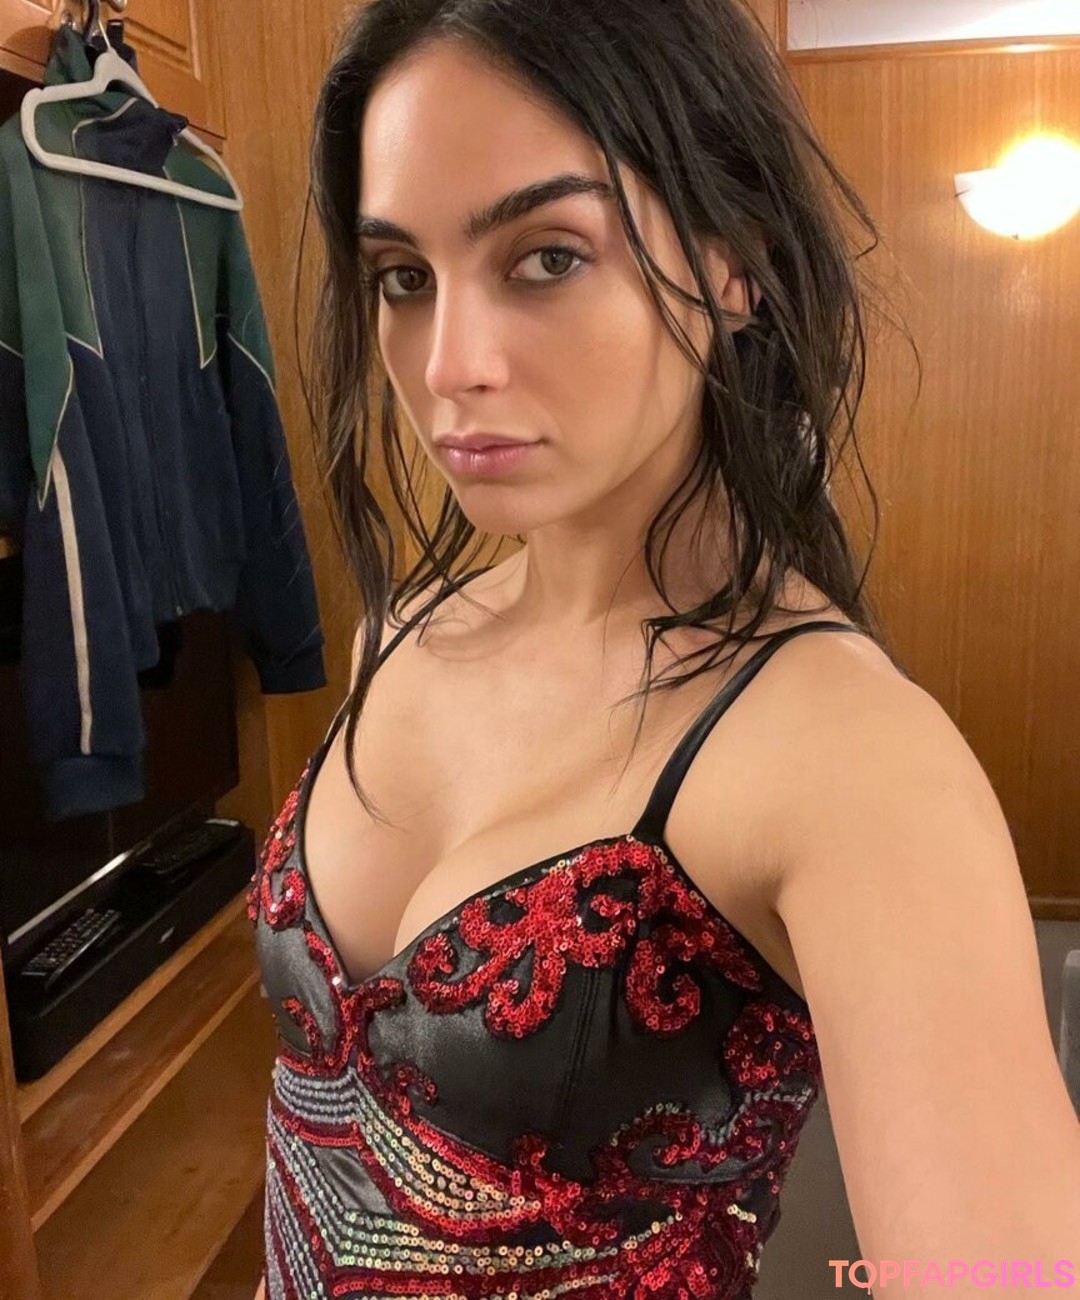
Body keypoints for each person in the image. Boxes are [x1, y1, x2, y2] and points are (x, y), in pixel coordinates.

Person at [249, 1, 1080, 1295]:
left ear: (733, 263)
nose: (449, 364)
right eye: (404, 276)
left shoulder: (854, 761)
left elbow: (1010, 1272)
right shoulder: (398, 635)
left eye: (546, 258)